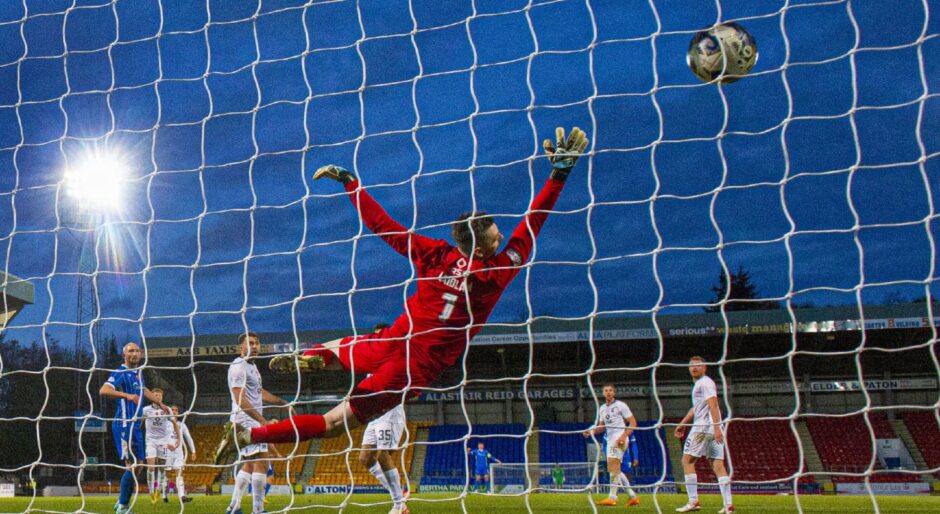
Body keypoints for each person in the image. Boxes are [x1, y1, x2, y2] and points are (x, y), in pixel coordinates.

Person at [214, 127, 590, 462]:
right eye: (495, 236)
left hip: (392, 339)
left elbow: (385, 227)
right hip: (411, 369)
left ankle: (318, 356)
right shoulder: (496, 272)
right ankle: (250, 433)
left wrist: (351, 183)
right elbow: (534, 221)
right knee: (333, 424)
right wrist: (560, 174)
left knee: (342, 345)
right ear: (480, 249)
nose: (501, 236)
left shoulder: (436, 253)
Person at [221, 332, 290, 514]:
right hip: (246, 421)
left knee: (249, 464)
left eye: (257, 343)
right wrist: (262, 421)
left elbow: (259, 393)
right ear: (241, 348)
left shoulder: (252, 367)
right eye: (250, 343)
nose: (255, 346)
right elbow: (239, 397)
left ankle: (233, 507)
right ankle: (257, 510)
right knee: (263, 463)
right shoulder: (238, 366)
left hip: (247, 421)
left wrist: (282, 402)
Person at [99, 342, 170, 514]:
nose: (135, 353)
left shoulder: (138, 373)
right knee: (132, 465)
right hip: (124, 424)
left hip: (135, 425)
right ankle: (123, 506)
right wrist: (128, 396)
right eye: (131, 350)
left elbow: (143, 389)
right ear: (124, 354)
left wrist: (160, 403)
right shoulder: (120, 372)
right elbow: (104, 390)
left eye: (137, 351)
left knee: (139, 466)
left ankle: (121, 503)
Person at [674, 356, 733, 513]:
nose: (694, 368)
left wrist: (716, 428)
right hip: (713, 427)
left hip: (703, 428)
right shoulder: (701, 384)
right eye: (691, 365)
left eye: (698, 365)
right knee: (718, 465)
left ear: (704, 368)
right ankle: (728, 505)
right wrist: (683, 423)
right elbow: (697, 408)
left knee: (687, 461)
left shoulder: (705, 383)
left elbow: (713, 405)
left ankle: (693, 501)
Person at [584, 384, 640, 507]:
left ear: (614, 393)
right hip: (610, 440)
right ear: (603, 393)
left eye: (610, 390)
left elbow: (633, 423)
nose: (608, 392)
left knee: (612, 467)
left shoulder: (621, 405)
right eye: (606, 390)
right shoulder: (602, 408)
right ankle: (632, 496)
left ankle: (612, 497)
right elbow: (602, 427)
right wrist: (591, 431)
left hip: (619, 439)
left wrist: (624, 436)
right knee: (615, 469)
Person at [359, 403, 408, 513]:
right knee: (365, 458)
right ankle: (399, 492)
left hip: (389, 412)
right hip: (374, 414)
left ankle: (399, 505)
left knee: (382, 454)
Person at [141, 388, 179, 503]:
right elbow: (139, 423)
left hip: (163, 442)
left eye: (160, 396)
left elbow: (174, 424)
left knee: (162, 469)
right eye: (156, 395)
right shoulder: (145, 410)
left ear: (162, 397)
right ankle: (151, 492)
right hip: (150, 441)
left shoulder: (167, 410)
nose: (158, 398)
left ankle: (158, 490)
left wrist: (178, 438)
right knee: (151, 467)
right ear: (152, 396)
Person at [165, 405, 195, 503]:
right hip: (167, 452)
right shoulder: (165, 424)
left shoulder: (182, 425)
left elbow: (188, 438)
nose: (174, 411)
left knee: (179, 474)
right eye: (172, 410)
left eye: (176, 410)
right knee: (166, 475)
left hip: (179, 453)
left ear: (178, 413)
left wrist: (193, 451)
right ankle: (164, 495)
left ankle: (182, 496)